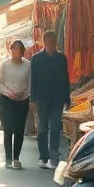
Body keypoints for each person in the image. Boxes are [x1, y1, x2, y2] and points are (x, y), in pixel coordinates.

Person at [31, 30, 70, 169]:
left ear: (55, 41)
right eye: (47, 40)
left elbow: (66, 79)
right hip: (42, 98)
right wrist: (33, 98)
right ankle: (43, 156)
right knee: (42, 128)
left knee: (54, 127)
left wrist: (67, 98)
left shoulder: (62, 58)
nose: (49, 42)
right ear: (44, 41)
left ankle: (54, 156)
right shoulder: (36, 59)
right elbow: (33, 80)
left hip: (57, 98)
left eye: (52, 40)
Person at [0, 39, 31, 168]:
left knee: (20, 130)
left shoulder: (28, 65)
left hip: (22, 100)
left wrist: (24, 94)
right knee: (8, 129)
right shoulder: (4, 64)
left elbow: (30, 83)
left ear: (22, 53)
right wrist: (10, 93)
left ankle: (16, 158)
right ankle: (8, 158)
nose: (15, 53)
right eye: (13, 50)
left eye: (17, 51)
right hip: (7, 100)